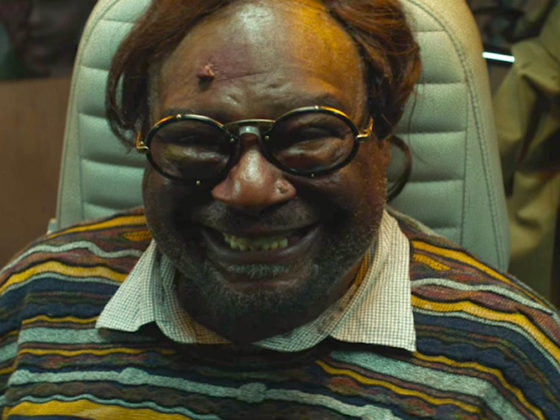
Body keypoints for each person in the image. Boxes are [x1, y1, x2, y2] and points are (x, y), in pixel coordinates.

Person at [1, 0, 559, 418]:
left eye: (310, 134)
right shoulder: (34, 300)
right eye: (195, 138)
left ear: (382, 137)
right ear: (145, 144)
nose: (250, 189)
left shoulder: (509, 361)